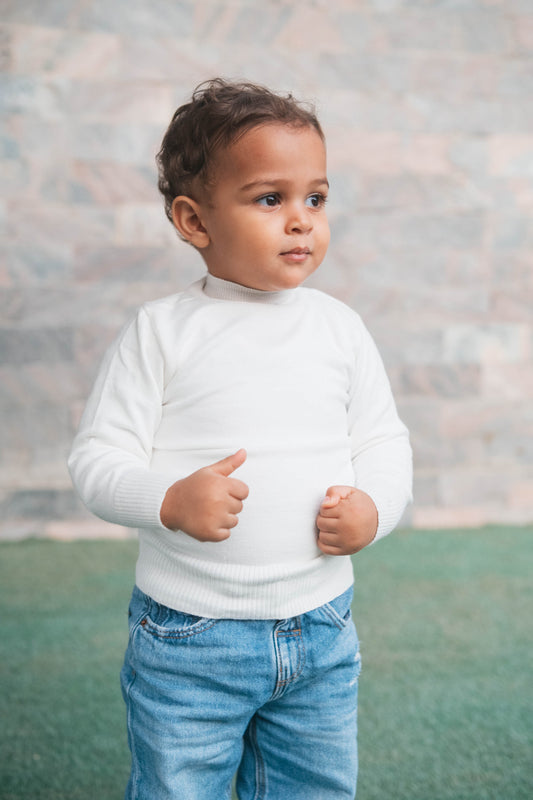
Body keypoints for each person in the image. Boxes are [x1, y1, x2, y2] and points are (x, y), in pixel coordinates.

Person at [68, 78, 412, 800]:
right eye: (269, 198)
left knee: (314, 788)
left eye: (314, 198)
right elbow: (97, 460)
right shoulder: (161, 332)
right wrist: (167, 500)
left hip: (321, 627)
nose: (300, 221)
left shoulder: (337, 329)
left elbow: (382, 439)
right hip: (190, 638)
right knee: (176, 788)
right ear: (194, 221)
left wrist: (375, 509)